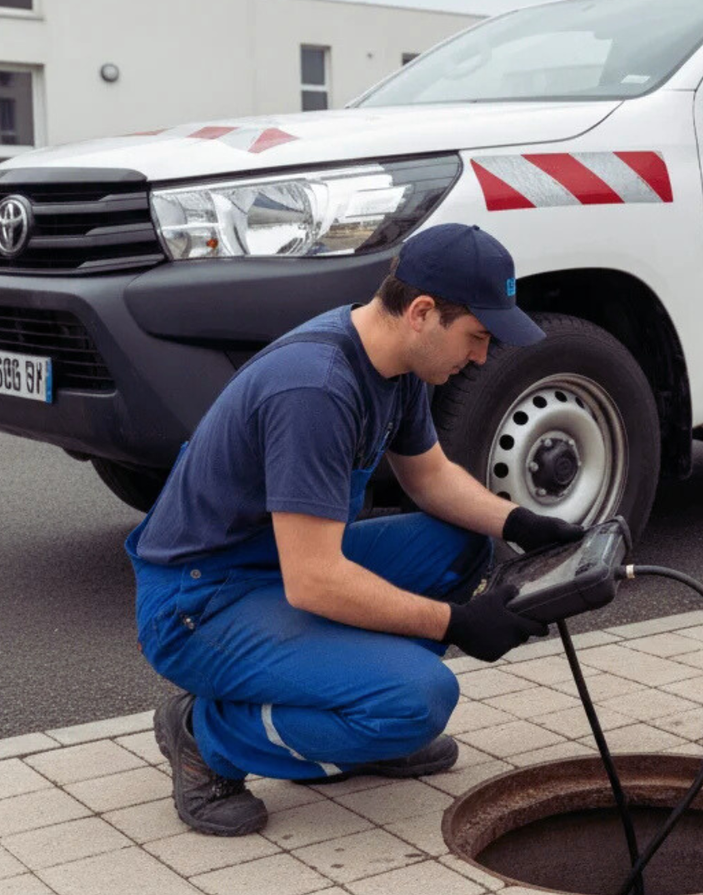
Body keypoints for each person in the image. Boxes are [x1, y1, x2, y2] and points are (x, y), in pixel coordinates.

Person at [124, 223, 584, 836]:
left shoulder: (396, 365)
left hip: (273, 567)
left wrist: (519, 522)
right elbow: (314, 582)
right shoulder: (315, 387)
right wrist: (458, 624)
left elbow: (429, 478)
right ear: (422, 312)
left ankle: (363, 712)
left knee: (460, 543)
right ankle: (205, 738)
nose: (480, 357)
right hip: (199, 603)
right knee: (420, 700)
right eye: (476, 337)